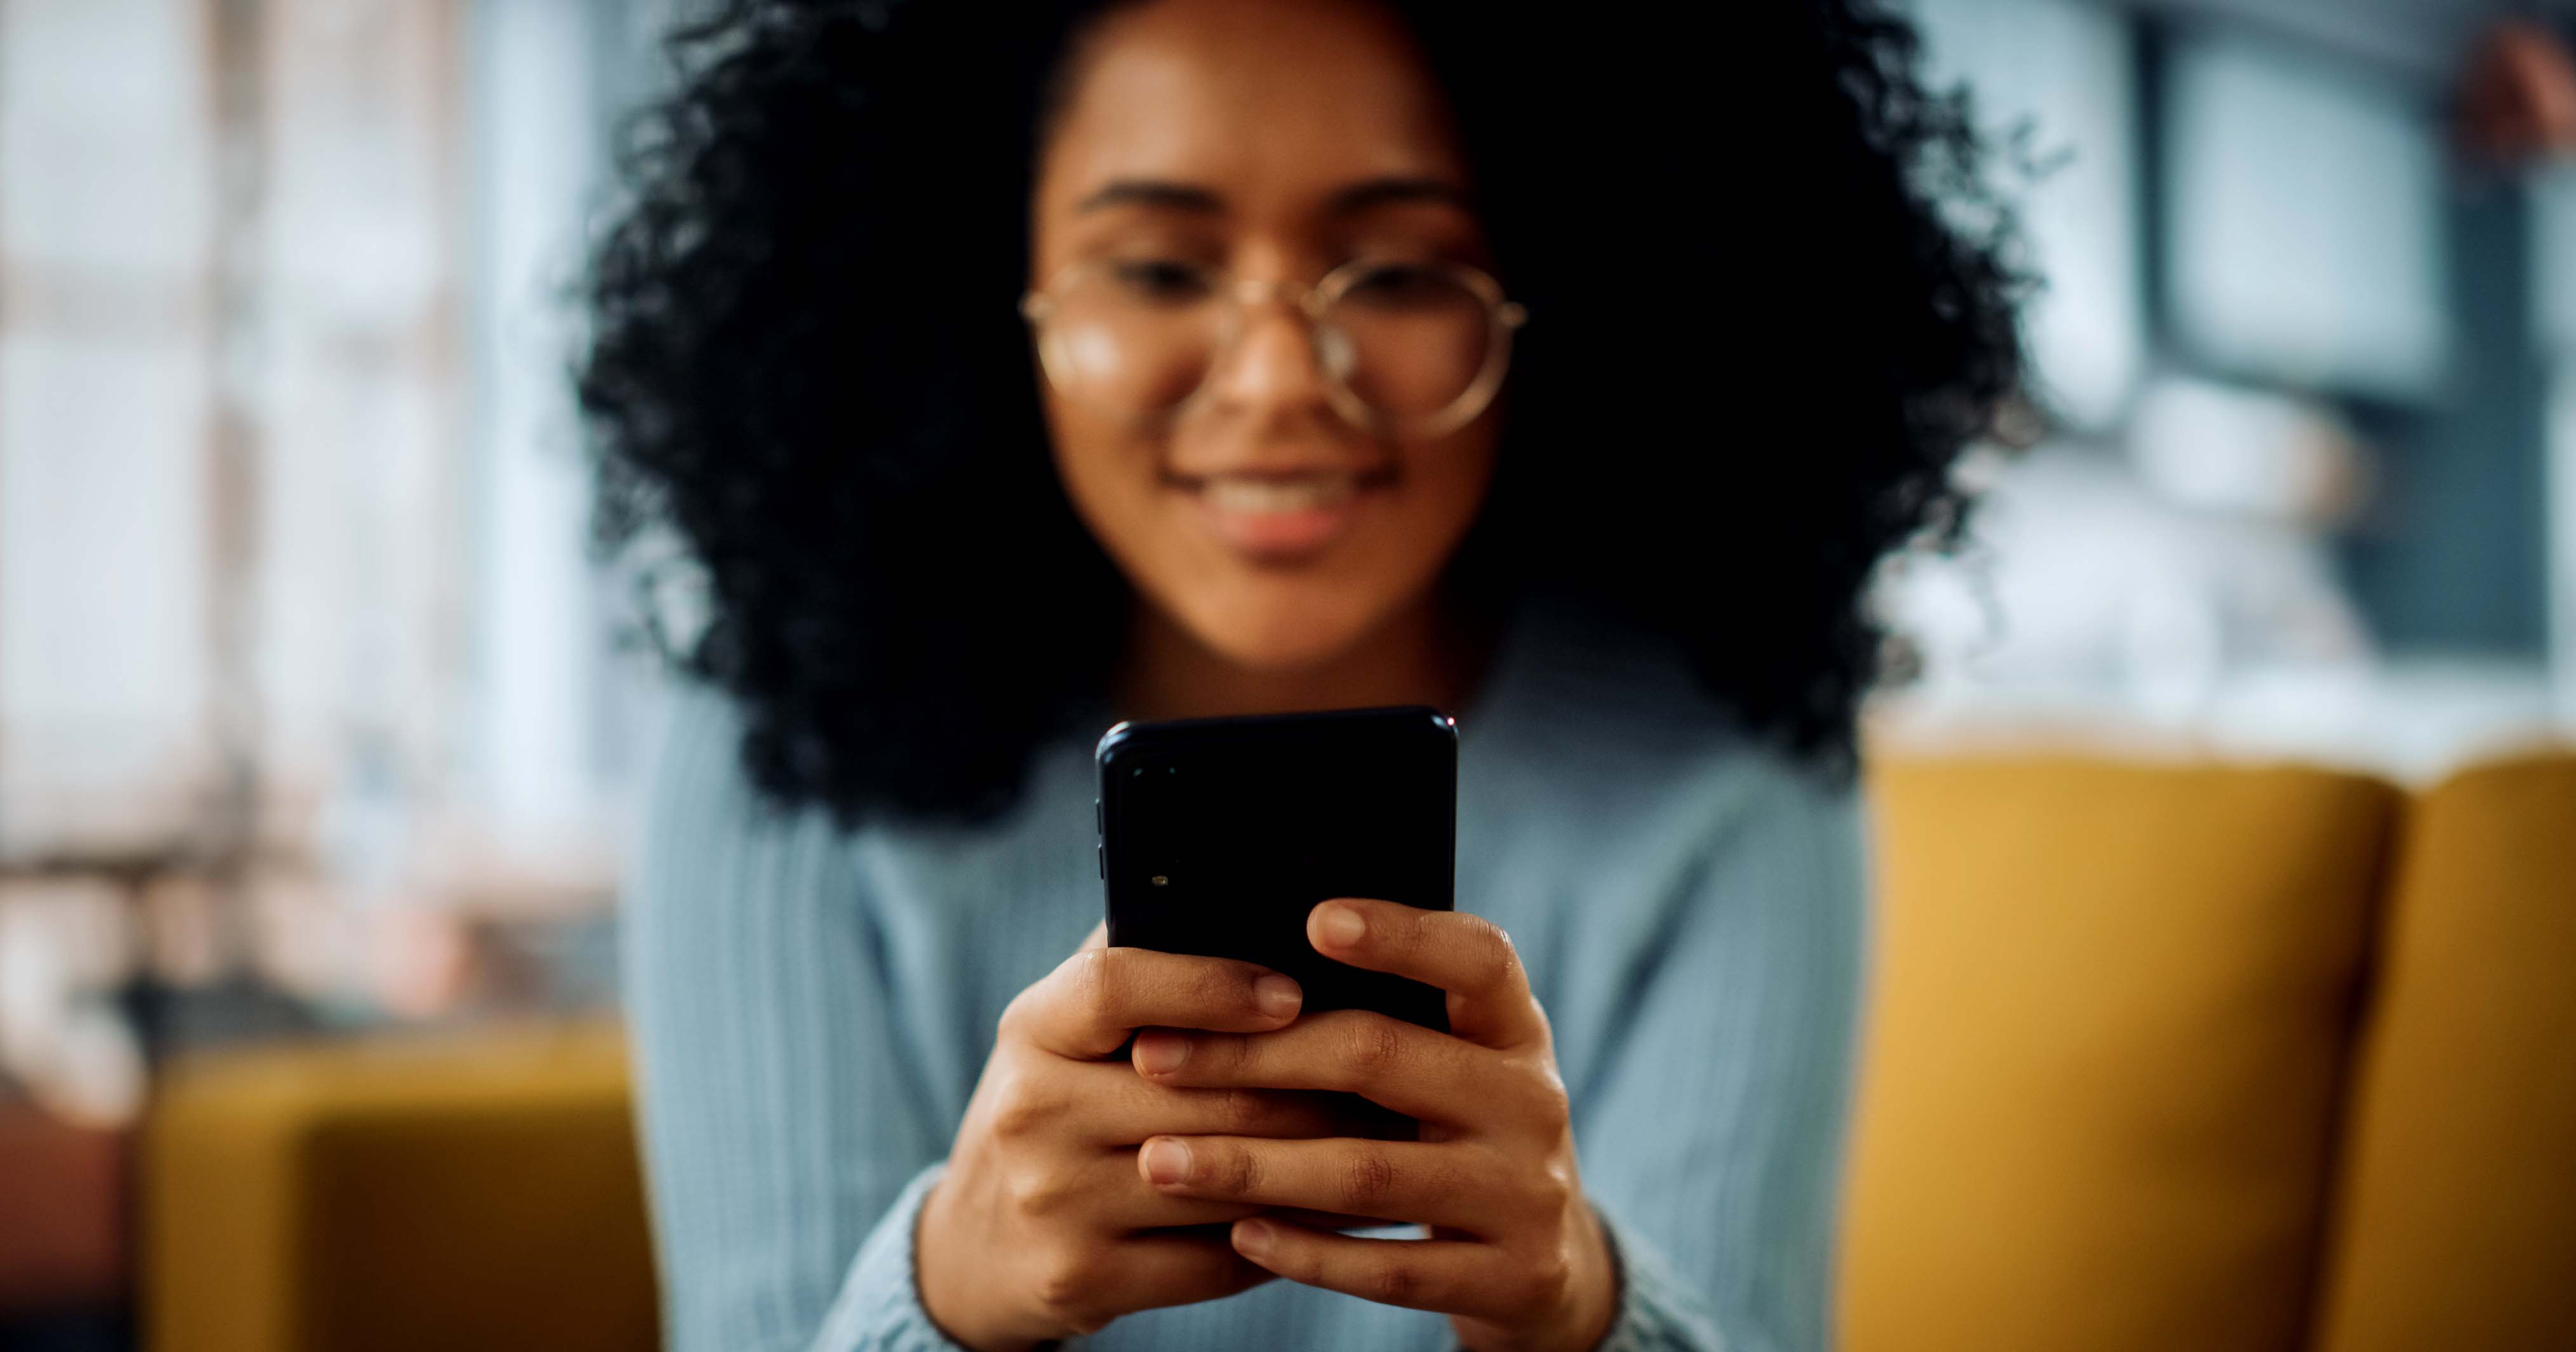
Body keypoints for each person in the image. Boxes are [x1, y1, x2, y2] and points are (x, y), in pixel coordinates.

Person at [580, 1, 2022, 1348]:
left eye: (1396, 271)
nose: (1276, 379)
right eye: (1158, 269)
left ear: (1566, 294)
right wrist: (944, 1288)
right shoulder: (781, 748)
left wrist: (1586, 1309)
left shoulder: (1730, 772)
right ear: (977, 294)